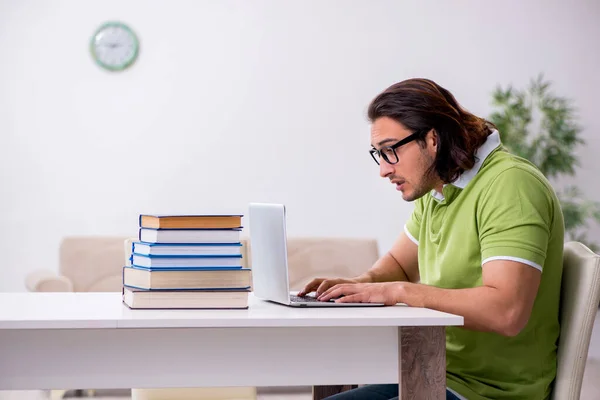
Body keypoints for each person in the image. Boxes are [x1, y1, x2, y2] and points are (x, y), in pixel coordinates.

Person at [298, 78, 564, 400]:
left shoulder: (510, 186)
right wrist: (359, 286)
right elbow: (399, 264)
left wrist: (398, 292)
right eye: (378, 154)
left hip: (490, 392)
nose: (383, 170)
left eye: (390, 151)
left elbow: (506, 312)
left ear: (433, 139)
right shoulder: (439, 186)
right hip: (431, 373)